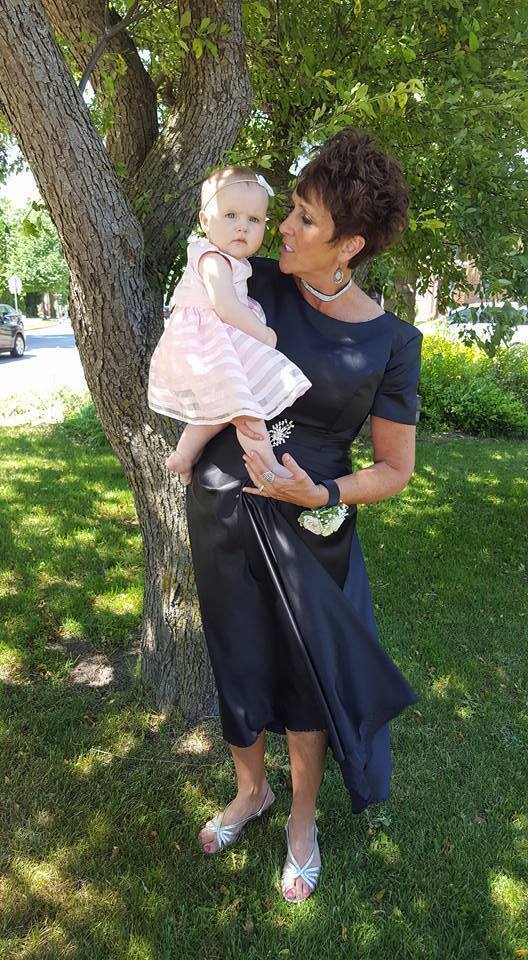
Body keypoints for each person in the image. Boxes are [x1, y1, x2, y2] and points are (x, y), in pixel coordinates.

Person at [185, 129, 423, 903]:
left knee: (305, 679)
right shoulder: (252, 281)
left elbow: (394, 470)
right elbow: (193, 317)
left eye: (304, 219)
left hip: (310, 530)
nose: (281, 228)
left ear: (348, 245)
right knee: (237, 657)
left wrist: (320, 495)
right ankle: (251, 791)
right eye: (287, 209)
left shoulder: (391, 343)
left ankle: (301, 819)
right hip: (223, 508)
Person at [147, 166, 312, 485]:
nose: (242, 227)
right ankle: (269, 470)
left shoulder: (230, 260)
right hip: (205, 345)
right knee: (248, 409)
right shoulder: (212, 259)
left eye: (254, 220)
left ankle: (184, 454)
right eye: (231, 215)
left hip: (213, 342)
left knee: (224, 405)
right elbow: (225, 306)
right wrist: (264, 334)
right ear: (205, 221)